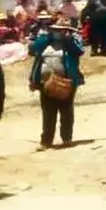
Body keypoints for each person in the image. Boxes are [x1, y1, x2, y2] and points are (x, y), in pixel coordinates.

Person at [28, 16, 85, 150]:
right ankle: (46, 141)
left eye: (61, 30)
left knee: (66, 112)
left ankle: (66, 138)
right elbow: (32, 49)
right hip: (45, 83)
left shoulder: (72, 42)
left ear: (66, 31)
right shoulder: (44, 43)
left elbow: (79, 51)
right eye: (55, 30)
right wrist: (46, 39)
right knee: (48, 113)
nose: (58, 33)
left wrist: (68, 40)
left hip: (66, 82)